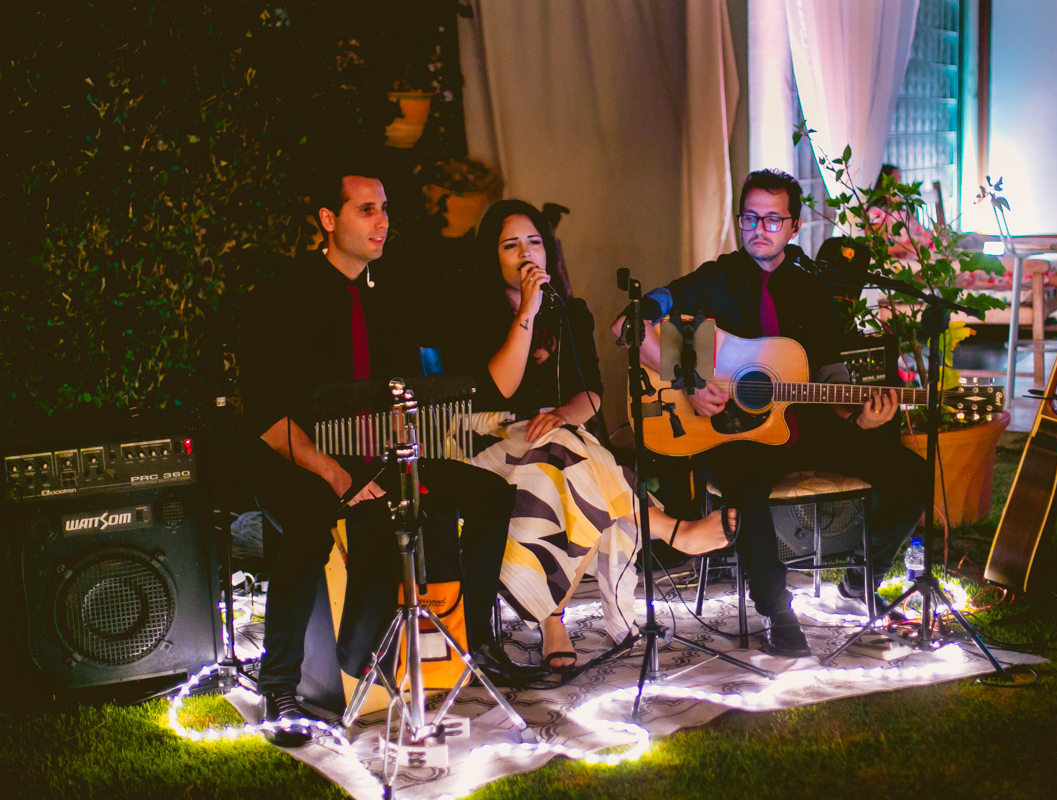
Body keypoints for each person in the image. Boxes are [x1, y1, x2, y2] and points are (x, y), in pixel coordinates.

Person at [239, 163, 547, 746]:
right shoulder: (282, 294)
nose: (382, 222)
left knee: (488, 494)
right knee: (307, 529)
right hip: (298, 457)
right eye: (366, 210)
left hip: (375, 454)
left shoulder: (394, 292)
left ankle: (474, 642)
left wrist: (523, 313)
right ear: (328, 220)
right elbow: (264, 411)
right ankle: (278, 684)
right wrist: (335, 473)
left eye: (384, 209)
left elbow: (435, 379)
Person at [610, 169, 926, 658]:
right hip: (728, 434)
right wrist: (689, 383)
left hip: (805, 428)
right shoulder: (715, 279)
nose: (760, 228)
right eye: (750, 218)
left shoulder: (812, 288)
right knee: (747, 487)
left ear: (795, 226)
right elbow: (627, 327)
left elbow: (828, 373)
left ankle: (858, 580)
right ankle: (777, 611)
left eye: (773, 219)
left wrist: (858, 418)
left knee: (912, 474)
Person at [449, 199, 732, 671]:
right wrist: (527, 311)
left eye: (534, 242)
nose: (526, 253)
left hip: (555, 436)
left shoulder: (570, 312)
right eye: (511, 245)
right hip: (487, 432)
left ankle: (553, 618)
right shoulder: (472, 311)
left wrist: (562, 415)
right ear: (491, 256)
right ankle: (672, 533)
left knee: (569, 460)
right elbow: (501, 388)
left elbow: (592, 393)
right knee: (577, 461)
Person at [868, 164, 935, 258]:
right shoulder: (877, 213)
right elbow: (879, 247)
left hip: (932, 246)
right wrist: (909, 247)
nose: (900, 185)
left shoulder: (900, 209)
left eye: (899, 180)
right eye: (895, 181)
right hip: (918, 256)